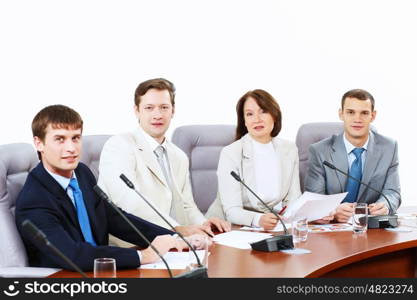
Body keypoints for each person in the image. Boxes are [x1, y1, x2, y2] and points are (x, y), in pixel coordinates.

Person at [15, 105, 207, 271]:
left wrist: (175, 238)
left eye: (75, 138)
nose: (71, 148)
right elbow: (72, 255)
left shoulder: (81, 173)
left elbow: (114, 217)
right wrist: (144, 256)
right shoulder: (34, 199)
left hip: (101, 271)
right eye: (60, 139)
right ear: (38, 143)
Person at [98, 78, 230, 247]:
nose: (157, 115)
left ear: (172, 111)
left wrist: (203, 225)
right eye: (149, 108)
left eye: (164, 107)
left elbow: (187, 205)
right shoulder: (119, 145)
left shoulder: (179, 156)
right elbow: (129, 202)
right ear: (137, 111)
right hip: (134, 245)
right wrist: (176, 229)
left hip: (177, 245)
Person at [206, 89, 301, 230]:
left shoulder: (289, 149)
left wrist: (288, 215)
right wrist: (259, 219)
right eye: (249, 114)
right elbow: (232, 210)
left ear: (274, 115)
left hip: (274, 227)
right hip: (229, 228)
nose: (257, 119)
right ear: (244, 121)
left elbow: (294, 198)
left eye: (263, 111)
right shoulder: (231, 153)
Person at [304, 89, 401, 223]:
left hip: (371, 228)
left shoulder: (389, 147)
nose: (357, 119)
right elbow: (314, 199)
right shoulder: (320, 151)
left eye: (364, 113)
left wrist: (385, 205)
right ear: (341, 114)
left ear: (373, 116)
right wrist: (334, 210)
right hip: (333, 231)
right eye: (350, 112)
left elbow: (392, 192)